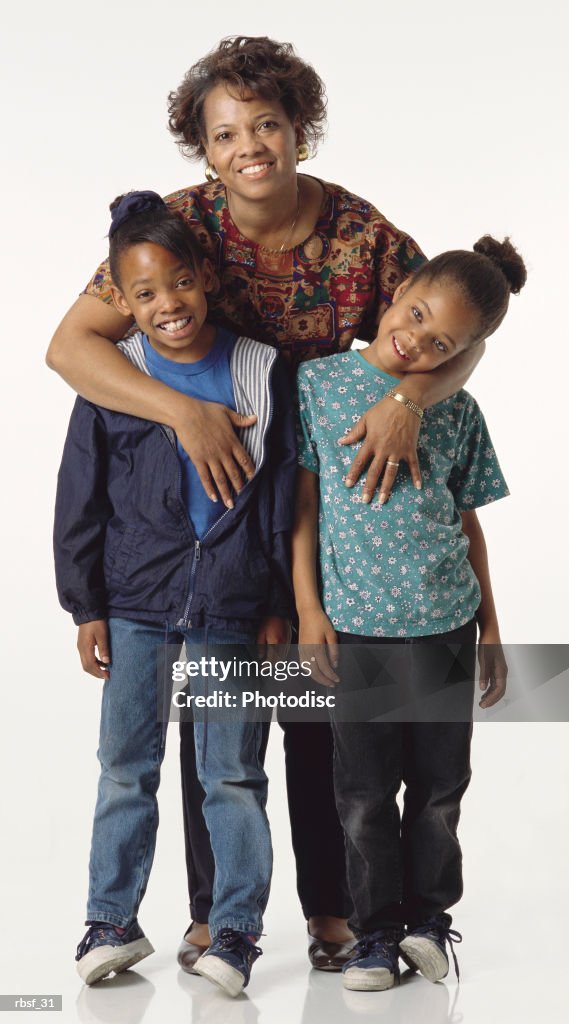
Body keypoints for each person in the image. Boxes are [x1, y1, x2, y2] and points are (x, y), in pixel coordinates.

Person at [47, 36, 486, 969]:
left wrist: (409, 399)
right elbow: (70, 348)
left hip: (329, 516)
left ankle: (337, 911)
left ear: (299, 129)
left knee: (321, 723)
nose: (248, 145)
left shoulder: (365, 236)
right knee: (221, 719)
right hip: (227, 524)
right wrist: (185, 414)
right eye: (224, 132)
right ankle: (214, 916)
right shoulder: (182, 227)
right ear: (202, 148)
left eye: (267, 124)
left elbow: (457, 322)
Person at [54, 191, 296, 995]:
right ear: (120, 302)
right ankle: (109, 921)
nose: (168, 305)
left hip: (231, 604)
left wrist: (277, 608)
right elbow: (79, 495)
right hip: (134, 605)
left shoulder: (261, 370)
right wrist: (85, 603)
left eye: (180, 283)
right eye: (146, 293)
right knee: (125, 767)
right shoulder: (113, 380)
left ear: (205, 281)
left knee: (230, 774)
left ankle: (234, 931)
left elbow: (281, 497)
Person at [293, 236, 525, 991]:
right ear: (395, 291)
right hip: (354, 625)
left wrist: (490, 628)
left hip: (443, 624)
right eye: (415, 314)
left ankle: (428, 921)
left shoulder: (456, 410)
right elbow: (302, 512)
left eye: (441, 343)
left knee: (437, 791)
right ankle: (372, 935)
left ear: (464, 352)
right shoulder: (319, 385)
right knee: (361, 795)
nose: (417, 341)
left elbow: (467, 523)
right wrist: (308, 611)